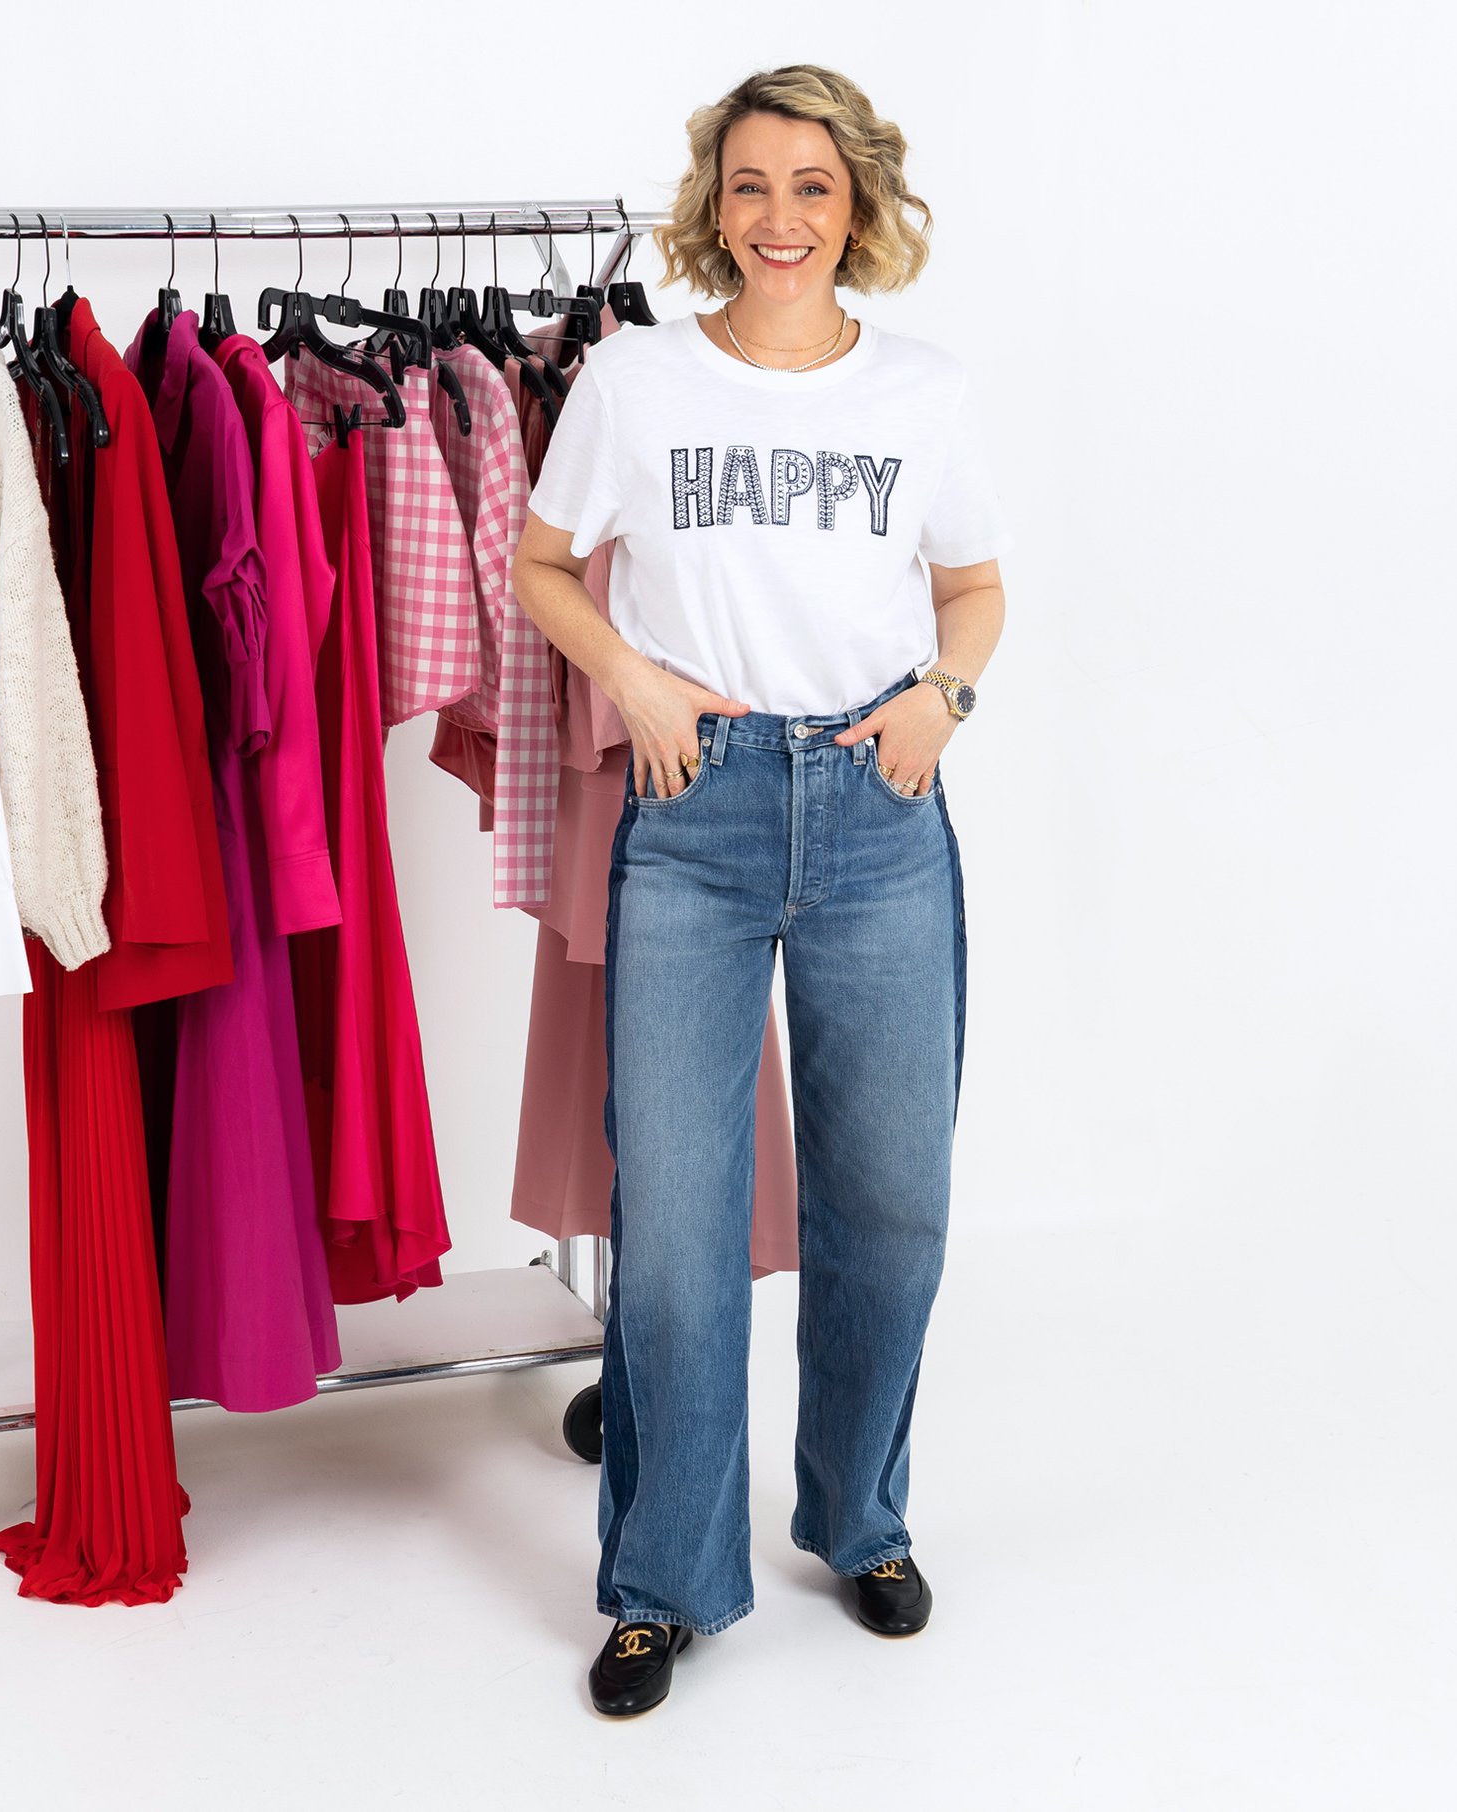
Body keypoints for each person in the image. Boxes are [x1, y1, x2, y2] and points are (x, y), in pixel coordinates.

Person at [513, 63, 1012, 1716]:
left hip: (878, 812)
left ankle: (861, 1514)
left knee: (891, 1200)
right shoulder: (636, 382)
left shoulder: (923, 391)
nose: (780, 217)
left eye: (810, 184)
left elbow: (977, 590)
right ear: (710, 207)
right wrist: (637, 684)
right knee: (673, 1226)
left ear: (858, 200)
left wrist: (943, 704)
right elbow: (539, 566)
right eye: (748, 186)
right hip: (697, 813)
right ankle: (663, 1577)